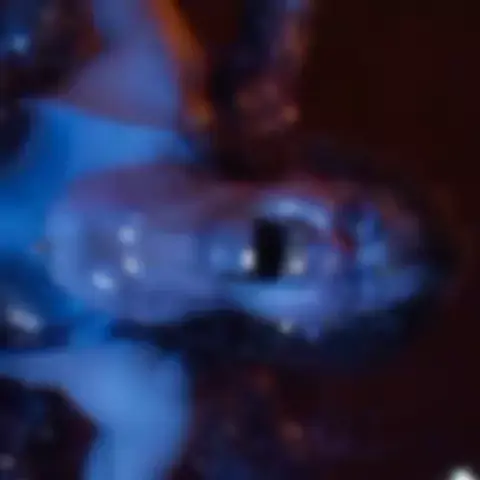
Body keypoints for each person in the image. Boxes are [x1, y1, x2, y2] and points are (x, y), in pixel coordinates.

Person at [0, 0, 454, 479]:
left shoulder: (143, 397)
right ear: (314, 179)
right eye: (359, 221)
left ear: (307, 327)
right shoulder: (151, 87)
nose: (335, 253)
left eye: (354, 287)